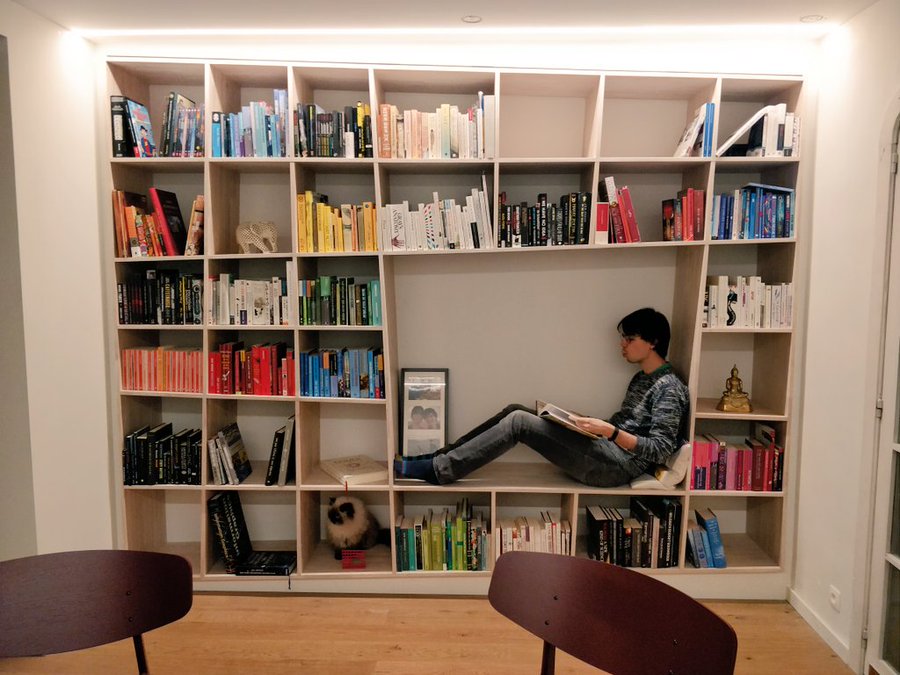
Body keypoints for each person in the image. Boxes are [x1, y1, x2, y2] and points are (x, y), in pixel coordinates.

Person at [394, 307, 690, 487]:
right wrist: (578, 422)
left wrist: (609, 431)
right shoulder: (642, 378)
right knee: (516, 409)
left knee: (518, 423)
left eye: (629, 339)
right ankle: (441, 456)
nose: (621, 345)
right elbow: (627, 426)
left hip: (614, 469)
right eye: (622, 338)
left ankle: (440, 471)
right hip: (605, 451)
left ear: (652, 342)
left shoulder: (669, 387)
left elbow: (661, 449)